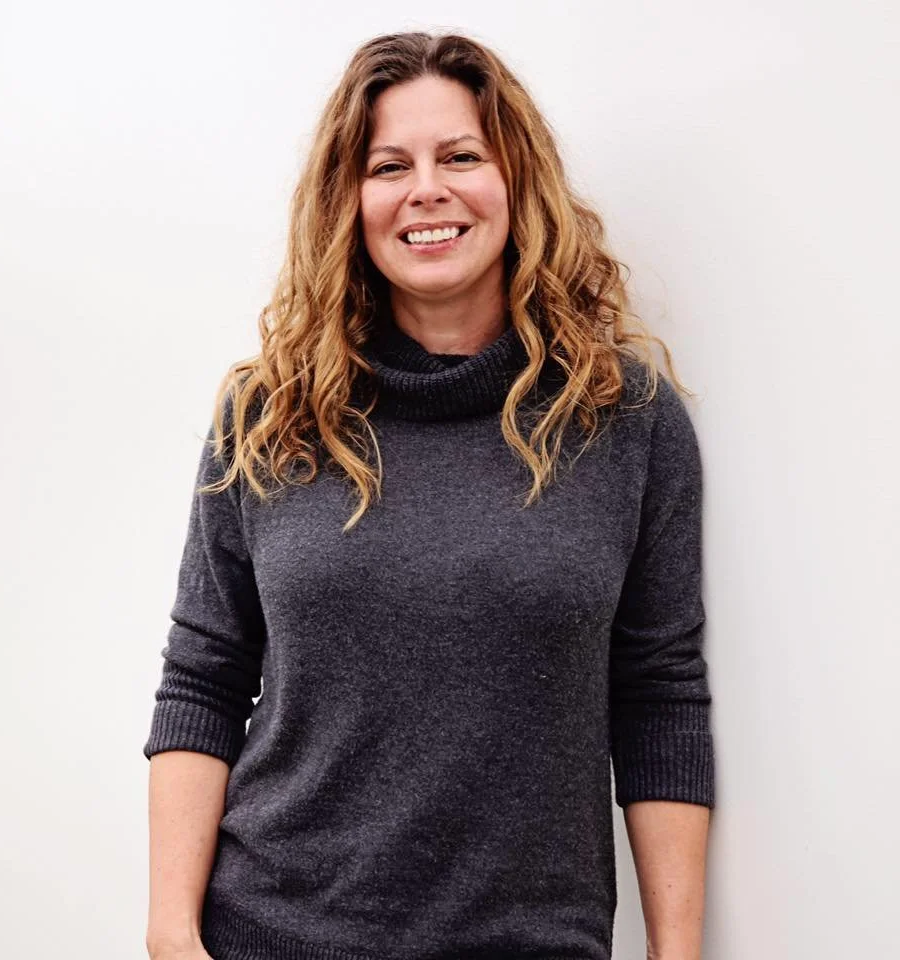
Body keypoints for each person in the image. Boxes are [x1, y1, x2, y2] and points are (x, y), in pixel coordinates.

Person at [143, 30, 715, 960]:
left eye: (461, 156)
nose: (427, 190)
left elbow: (659, 697)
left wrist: (676, 952)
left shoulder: (626, 419)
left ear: (517, 181)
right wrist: (172, 938)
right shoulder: (270, 414)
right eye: (387, 165)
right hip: (274, 933)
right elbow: (204, 673)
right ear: (350, 201)